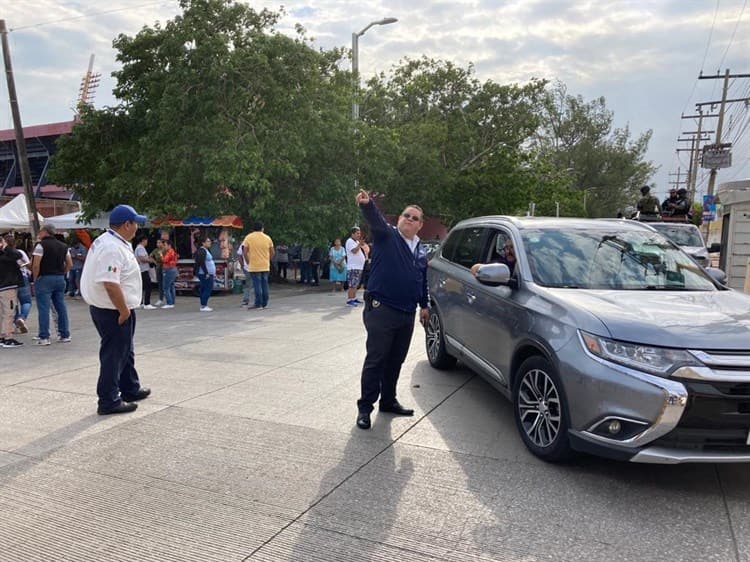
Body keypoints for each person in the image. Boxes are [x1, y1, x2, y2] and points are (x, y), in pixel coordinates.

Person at [354, 190, 429, 430]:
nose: (409, 219)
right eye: (406, 215)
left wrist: (424, 305)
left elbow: (421, 279)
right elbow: (376, 220)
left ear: (420, 225)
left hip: (406, 313)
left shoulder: (420, 250)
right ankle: (365, 408)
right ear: (399, 218)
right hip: (382, 310)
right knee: (376, 360)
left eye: (414, 218)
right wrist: (368, 205)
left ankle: (388, 400)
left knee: (395, 360)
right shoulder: (387, 236)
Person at [80, 204, 151, 415]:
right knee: (114, 354)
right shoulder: (111, 247)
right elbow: (110, 283)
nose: (137, 228)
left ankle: (129, 387)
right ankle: (108, 400)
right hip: (113, 310)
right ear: (127, 224)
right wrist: (123, 311)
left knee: (125, 350)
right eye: (135, 223)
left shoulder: (112, 241)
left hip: (116, 307)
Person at [32, 224, 72, 346]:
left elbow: (35, 264)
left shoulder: (40, 246)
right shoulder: (63, 246)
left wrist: (35, 278)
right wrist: (62, 272)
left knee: (44, 308)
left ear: (45, 232)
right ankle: (64, 334)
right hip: (59, 278)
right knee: (61, 307)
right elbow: (69, 263)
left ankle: (44, 336)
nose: (39, 233)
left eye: (40, 231)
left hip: (44, 278)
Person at [242, 221, 274, 309]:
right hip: (265, 265)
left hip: (254, 265)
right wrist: (267, 260)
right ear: (262, 228)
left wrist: (248, 261)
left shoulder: (249, 237)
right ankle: (264, 303)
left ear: (253, 229)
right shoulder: (267, 238)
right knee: (265, 284)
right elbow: (272, 252)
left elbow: (244, 252)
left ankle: (258, 303)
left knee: (257, 285)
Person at [0, 234, 24, 347]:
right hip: (7, 286)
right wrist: (5, 247)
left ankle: (2, 336)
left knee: (2, 313)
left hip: (3, 286)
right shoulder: (6, 255)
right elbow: (18, 254)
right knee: (9, 312)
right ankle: (7, 337)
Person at [14, 244, 32, 335]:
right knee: (26, 302)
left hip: (7, 281)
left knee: (13, 303)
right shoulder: (20, 252)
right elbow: (29, 265)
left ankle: (17, 325)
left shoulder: (3, 253)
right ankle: (22, 318)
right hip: (22, 278)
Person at [345, 227, 366, 306]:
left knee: (356, 284)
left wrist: (360, 244)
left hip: (358, 267)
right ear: (352, 234)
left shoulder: (356, 241)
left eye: (359, 233)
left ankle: (354, 298)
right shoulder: (349, 241)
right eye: (357, 233)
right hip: (353, 267)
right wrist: (359, 244)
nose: (359, 235)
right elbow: (354, 251)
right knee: (352, 284)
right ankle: (349, 300)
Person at [194, 235, 215, 312]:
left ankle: (203, 304)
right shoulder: (202, 251)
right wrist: (206, 273)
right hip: (204, 273)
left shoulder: (206, 250)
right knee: (208, 288)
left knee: (204, 288)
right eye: (208, 241)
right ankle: (204, 305)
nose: (210, 243)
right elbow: (201, 263)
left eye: (210, 241)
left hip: (208, 273)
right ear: (203, 243)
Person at [134, 235, 156, 309]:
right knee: (148, 286)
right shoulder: (140, 248)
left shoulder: (139, 248)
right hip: (143, 270)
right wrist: (150, 260)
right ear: (143, 240)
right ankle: (147, 303)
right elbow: (142, 258)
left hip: (142, 269)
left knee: (142, 286)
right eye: (146, 241)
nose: (147, 242)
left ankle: (141, 302)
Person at [161, 239, 178, 308]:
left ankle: (169, 302)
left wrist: (161, 255)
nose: (164, 247)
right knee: (171, 286)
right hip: (172, 269)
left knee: (166, 287)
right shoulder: (172, 251)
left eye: (165, 245)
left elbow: (164, 260)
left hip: (168, 269)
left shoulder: (170, 252)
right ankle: (172, 301)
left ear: (169, 245)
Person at [150, 239, 165, 306]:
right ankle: (160, 299)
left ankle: (169, 299)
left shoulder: (165, 249)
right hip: (158, 267)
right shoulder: (155, 250)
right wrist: (154, 262)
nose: (158, 244)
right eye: (157, 242)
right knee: (160, 283)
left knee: (167, 284)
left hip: (165, 267)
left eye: (159, 242)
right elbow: (150, 256)